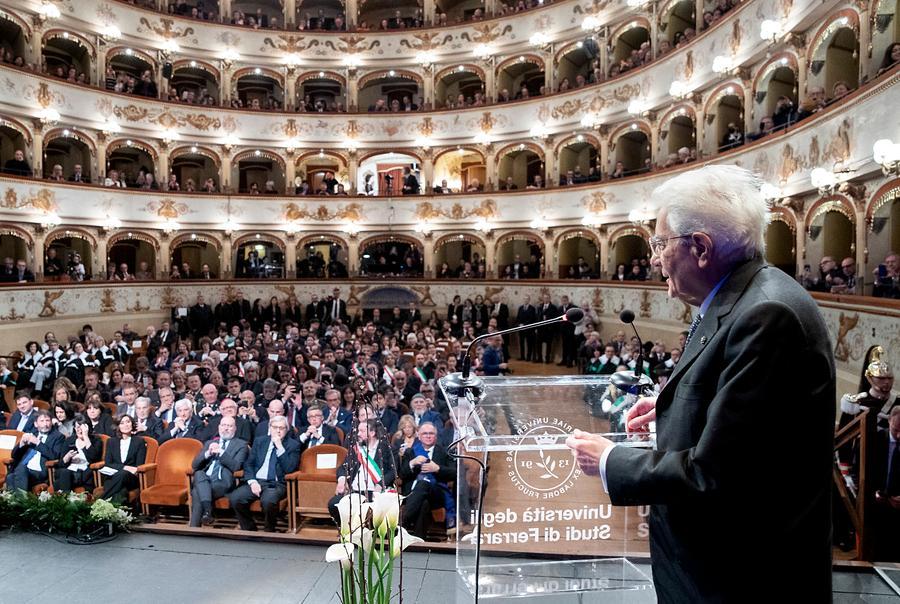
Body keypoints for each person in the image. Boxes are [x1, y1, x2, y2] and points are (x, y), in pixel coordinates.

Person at [566, 165, 834, 601]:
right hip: (714, 566)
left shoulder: (766, 316)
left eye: (659, 243)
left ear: (701, 248)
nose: (653, 258)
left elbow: (716, 475)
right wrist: (674, 407)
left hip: (742, 576)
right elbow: (746, 426)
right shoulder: (744, 298)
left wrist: (611, 459)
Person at [229, 416, 300, 532]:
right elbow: (249, 464)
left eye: (281, 428)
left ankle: (269, 530)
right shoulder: (260, 441)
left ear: (287, 430)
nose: (278, 431)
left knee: (268, 501)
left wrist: (280, 448)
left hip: (276, 484)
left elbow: (289, 469)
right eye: (275, 427)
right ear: (270, 428)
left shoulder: (293, 445)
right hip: (257, 481)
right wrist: (252, 482)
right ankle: (249, 528)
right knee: (236, 498)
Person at [189, 415, 249, 527]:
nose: (226, 428)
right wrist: (208, 453)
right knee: (199, 473)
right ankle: (207, 511)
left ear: (235, 429)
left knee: (197, 492)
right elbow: (195, 465)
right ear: (219, 427)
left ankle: (194, 528)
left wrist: (221, 452)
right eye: (223, 425)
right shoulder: (209, 443)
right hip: (205, 479)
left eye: (229, 426)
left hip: (222, 482)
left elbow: (236, 466)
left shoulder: (241, 445)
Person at [399, 422, 456, 538]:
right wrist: (412, 463)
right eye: (425, 434)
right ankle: (419, 540)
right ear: (419, 436)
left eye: (431, 433)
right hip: (412, 494)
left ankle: (402, 523)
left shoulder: (444, 452)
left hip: (437, 494)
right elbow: (402, 474)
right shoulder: (411, 452)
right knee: (424, 504)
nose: (428, 436)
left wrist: (437, 469)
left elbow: (455, 473)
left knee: (423, 484)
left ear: (436, 436)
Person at [7, 410, 65, 492]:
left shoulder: (58, 437)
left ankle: (20, 501)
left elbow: (55, 456)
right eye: (42, 421)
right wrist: (21, 444)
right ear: (35, 424)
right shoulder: (32, 433)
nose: (45, 424)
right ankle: (17, 502)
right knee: (11, 477)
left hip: (40, 471)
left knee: (19, 470)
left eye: (48, 420)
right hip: (23, 470)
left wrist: (38, 443)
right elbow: (14, 455)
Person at [100, 415, 147, 503]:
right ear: (118, 426)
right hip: (114, 476)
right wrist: (125, 467)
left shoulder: (139, 441)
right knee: (121, 492)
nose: (126, 425)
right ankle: (118, 515)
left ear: (132, 424)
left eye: (128, 422)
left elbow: (139, 465)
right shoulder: (111, 442)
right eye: (122, 423)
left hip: (130, 478)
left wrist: (126, 469)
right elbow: (108, 463)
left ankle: (100, 501)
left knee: (123, 474)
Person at [53, 414, 103, 493]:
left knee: (58, 483)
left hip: (83, 474)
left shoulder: (96, 441)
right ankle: (66, 500)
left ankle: (64, 500)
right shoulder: (69, 441)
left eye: (82, 428)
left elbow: (94, 458)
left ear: (87, 428)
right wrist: (67, 457)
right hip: (67, 472)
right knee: (64, 472)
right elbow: (61, 464)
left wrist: (85, 436)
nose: (79, 430)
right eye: (77, 427)